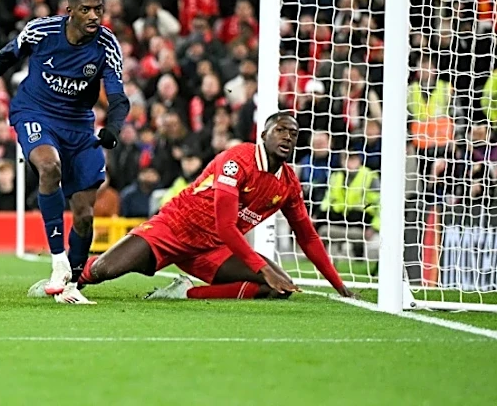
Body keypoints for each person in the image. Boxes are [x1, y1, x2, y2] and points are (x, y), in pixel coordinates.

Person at [0, 0, 130, 304]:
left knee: (84, 214)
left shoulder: (107, 44)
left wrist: (114, 128)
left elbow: (119, 97)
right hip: (35, 111)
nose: (94, 16)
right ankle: (58, 260)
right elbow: (3, 58)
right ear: (70, 11)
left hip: (79, 126)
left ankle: (71, 285)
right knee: (49, 167)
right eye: (86, 10)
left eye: (98, 9)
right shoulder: (42, 31)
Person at [77, 113, 357, 301]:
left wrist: (339, 285)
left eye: (293, 134)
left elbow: (308, 237)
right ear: (264, 135)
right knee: (103, 271)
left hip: (212, 249)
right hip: (173, 229)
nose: (287, 137)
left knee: (279, 288)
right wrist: (263, 267)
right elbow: (226, 225)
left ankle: (185, 293)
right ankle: (70, 274)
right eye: (280, 130)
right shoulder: (237, 160)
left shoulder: (288, 185)